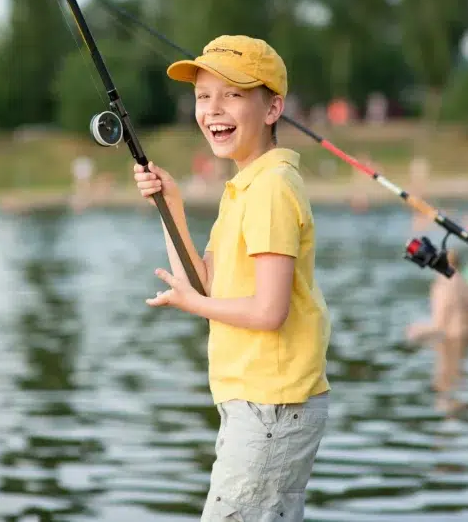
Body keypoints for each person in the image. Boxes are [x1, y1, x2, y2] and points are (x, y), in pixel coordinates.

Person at [132, 35, 331, 521]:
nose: (213, 109)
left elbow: (268, 311)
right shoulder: (247, 186)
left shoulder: (269, 189)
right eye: (203, 95)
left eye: (233, 94)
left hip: (271, 407)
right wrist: (170, 205)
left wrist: (190, 305)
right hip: (258, 405)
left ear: (272, 108)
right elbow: (206, 285)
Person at [405, 248, 468, 413]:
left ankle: (448, 405)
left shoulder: (442, 286)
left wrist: (416, 331)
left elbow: (439, 325)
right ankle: (455, 405)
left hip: (450, 342)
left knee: (444, 379)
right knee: (460, 378)